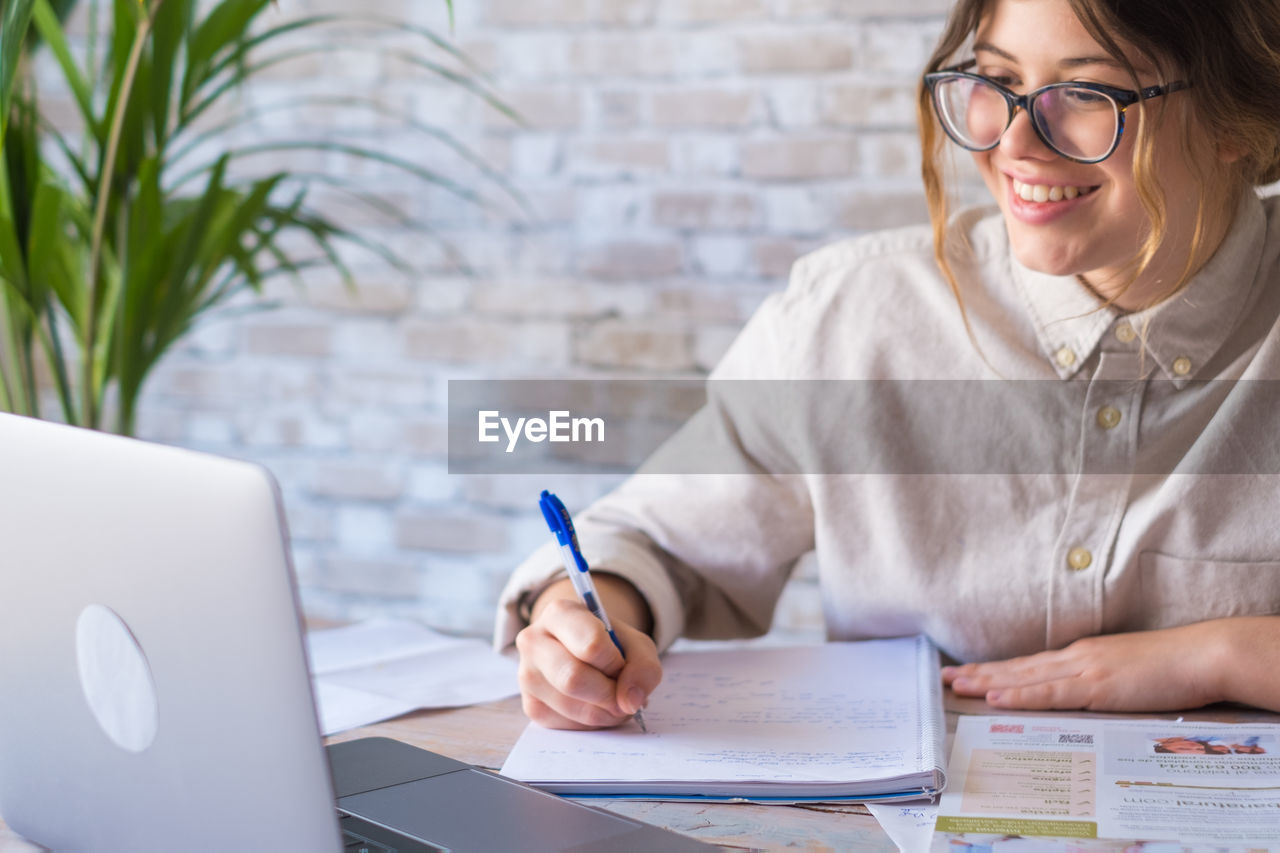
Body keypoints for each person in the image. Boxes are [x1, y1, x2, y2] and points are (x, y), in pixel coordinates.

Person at [496, 0, 1280, 731]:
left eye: (1085, 92)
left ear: (1233, 117)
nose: (1013, 142)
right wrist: (578, 618)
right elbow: (655, 541)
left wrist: (1224, 655)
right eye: (998, 81)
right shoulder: (855, 314)